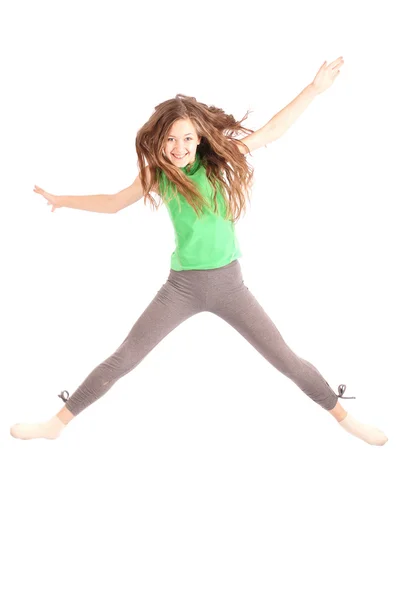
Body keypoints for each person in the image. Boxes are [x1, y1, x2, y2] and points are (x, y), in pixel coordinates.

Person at [10, 57, 388, 445]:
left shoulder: (221, 161)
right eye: (171, 139)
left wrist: (314, 89)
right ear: (161, 141)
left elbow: (274, 129)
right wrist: (63, 199)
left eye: (187, 138)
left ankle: (346, 420)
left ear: (200, 139)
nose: (178, 147)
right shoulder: (158, 176)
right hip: (181, 288)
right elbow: (112, 202)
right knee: (124, 357)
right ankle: (55, 425)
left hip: (230, 287)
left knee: (285, 359)